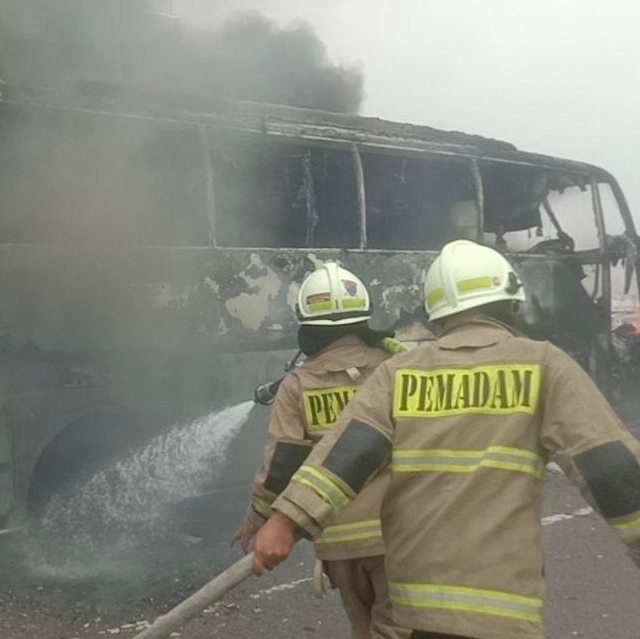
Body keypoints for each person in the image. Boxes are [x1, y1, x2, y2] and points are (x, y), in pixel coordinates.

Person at [252, 239, 640, 639]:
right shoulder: (544, 365)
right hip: (502, 609)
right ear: (512, 304)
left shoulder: (400, 372)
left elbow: (346, 455)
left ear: (436, 314)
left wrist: (285, 521)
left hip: (420, 609)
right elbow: (611, 468)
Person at [232, 262, 410, 639]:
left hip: (338, 541)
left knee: (364, 628)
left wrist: (256, 520)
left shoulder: (298, 385)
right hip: (400, 535)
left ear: (307, 327)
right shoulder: (397, 369)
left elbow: (280, 467)